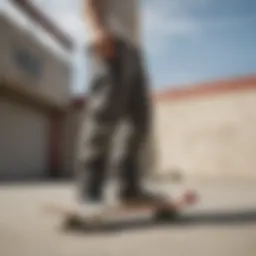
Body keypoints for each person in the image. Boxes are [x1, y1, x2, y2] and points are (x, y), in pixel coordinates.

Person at [76, 0, 165, 218]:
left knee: (139, 122)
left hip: (134, 50)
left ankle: (129, 189)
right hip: (111, 41)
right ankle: (90, 191)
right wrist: (97, 30)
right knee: (103, 115)